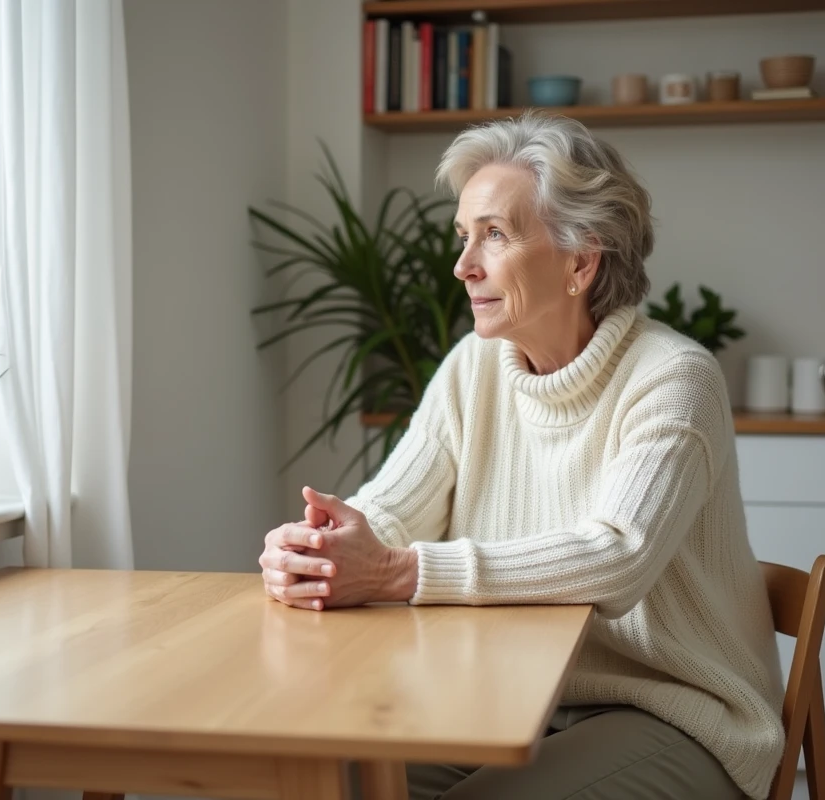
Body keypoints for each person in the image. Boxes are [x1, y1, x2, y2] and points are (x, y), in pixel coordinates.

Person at [258, 111, 785, 800]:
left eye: (494, 235)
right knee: (328, 778)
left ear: (580, 261)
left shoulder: (673, 378)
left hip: (673, 712)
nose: (462, 265)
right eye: (464, 236)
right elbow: (391, 508)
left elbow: (617, 558)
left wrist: (393, 572)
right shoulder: (472, 368)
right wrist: (323, 547)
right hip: (515, 699)